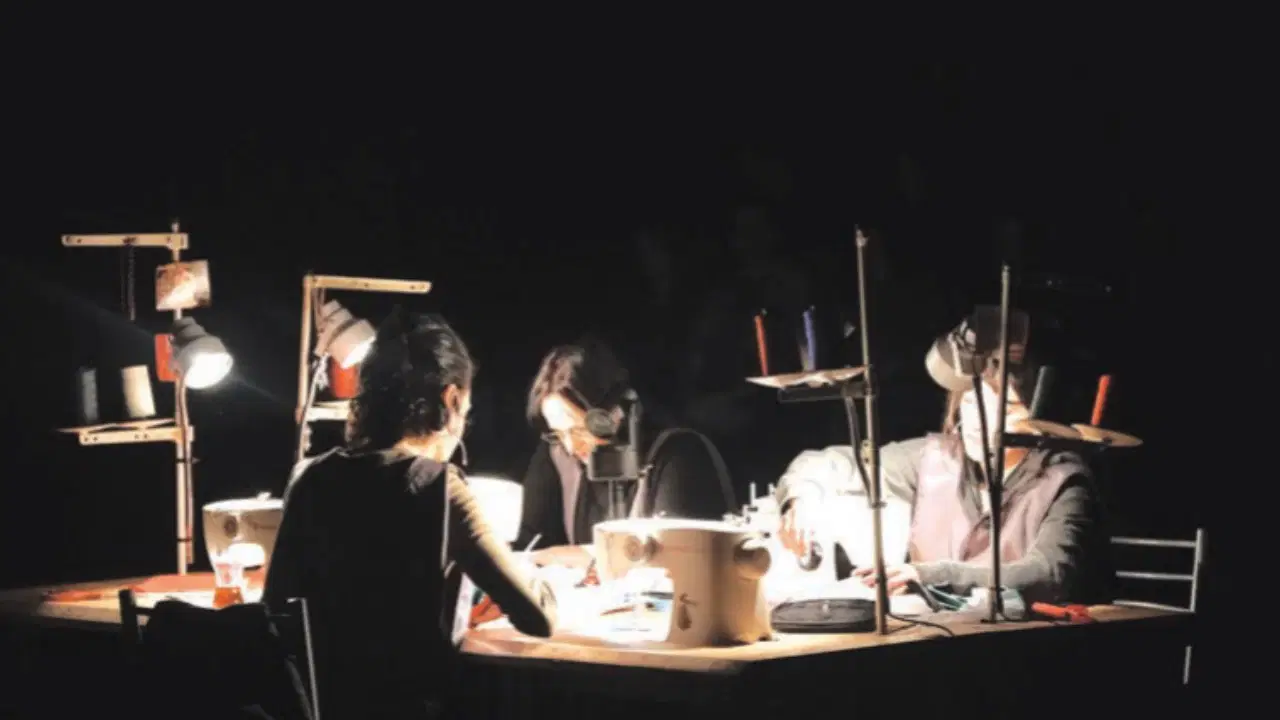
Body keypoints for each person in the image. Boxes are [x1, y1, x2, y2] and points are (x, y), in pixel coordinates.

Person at [265, 310, 556, 718]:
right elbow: (537, 618)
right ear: (451, 400)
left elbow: (274, 612)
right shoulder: (438, 486)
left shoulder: (308, 478)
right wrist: (538, 576)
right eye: (466, 411)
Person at [775, 317, 1111, 605]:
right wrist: (798, 502)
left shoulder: (1064, 482)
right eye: (970, 403)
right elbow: (825, 463)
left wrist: (929, 574)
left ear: (1039, 419)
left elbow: (1048, 574)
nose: (980, 422)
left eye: (1005, 410)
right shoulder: (938, 458)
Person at [515, 338, 736, 564]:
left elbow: (676, 559)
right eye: (559, 434)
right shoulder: (559, 456)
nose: (571, 446)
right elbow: (528, 543)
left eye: (579, 430)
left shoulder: (679, 455)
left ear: (614, 412)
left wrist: (560, 556)